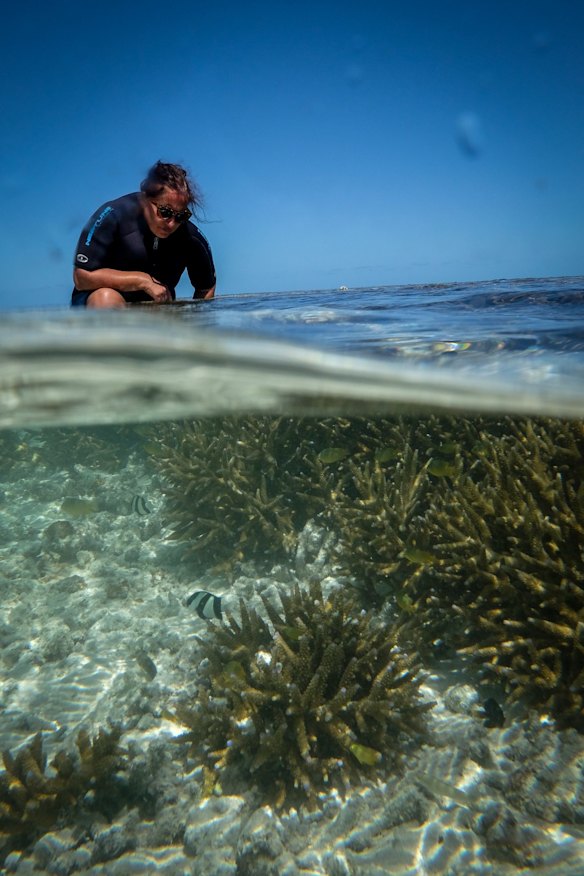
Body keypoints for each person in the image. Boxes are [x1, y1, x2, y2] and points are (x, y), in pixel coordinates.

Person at [71, 161, 216, 308]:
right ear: (145, 199)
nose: (172, 223)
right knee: (106, 297)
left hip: (154, 309)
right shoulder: (112, 215)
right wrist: (142, 281)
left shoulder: (191, 237)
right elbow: (81, 277)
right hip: (97, 302)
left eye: (181, 216)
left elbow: (206, 287)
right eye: (165, 212)